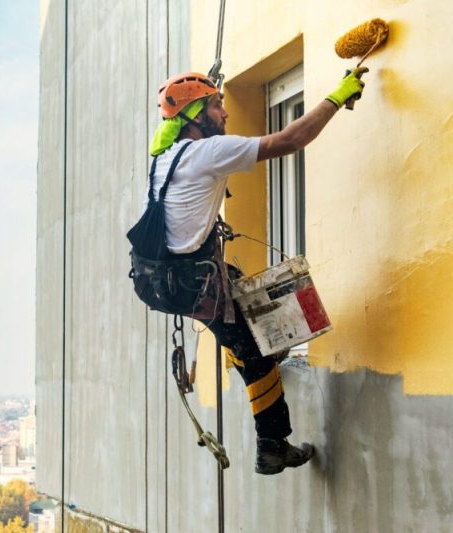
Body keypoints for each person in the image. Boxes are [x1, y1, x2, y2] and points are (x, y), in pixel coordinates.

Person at [144, 68, 367, 475]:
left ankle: (256, 344)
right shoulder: (206, 153)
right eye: (217, 105)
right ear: (196, 116)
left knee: (238, 296)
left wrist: (212, 85)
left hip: (170, 279)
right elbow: (291, 140)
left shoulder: (164, 158)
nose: (226, 113)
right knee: (255, 355)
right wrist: (336, 96)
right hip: (193, 283)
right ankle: (272, 446)